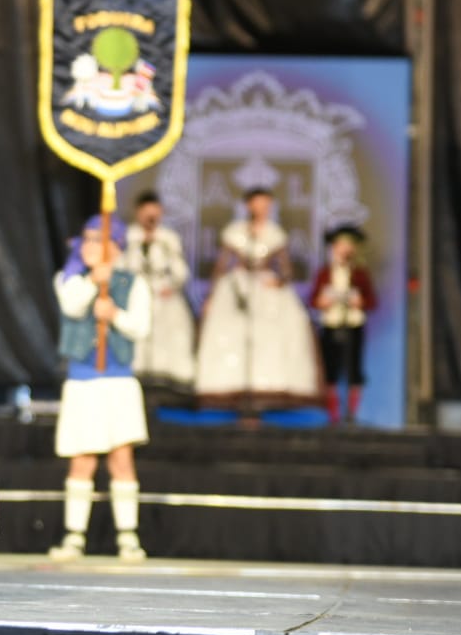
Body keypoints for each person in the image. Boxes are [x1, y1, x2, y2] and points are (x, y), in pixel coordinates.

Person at [49, 214, 151, 561]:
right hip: (83, 382)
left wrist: (115, 315)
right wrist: (95, 280)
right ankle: (74, 536)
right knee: (83, 460)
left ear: (115, 246)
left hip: (118, 382)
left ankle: (128, 537)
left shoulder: (133, 283)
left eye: (100, 240)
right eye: (88, 240)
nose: (92, 247)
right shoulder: (69, 280)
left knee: (121, 458)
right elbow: (72, 305)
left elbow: (140, 326)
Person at [193, 188, 322, 410]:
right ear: (248, 206)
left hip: (265, 287)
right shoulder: (235, 232)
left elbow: (287, 269)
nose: (262, 208)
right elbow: (221, 265)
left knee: (269, 336)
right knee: (232, 333)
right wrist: (211, 296)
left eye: (267, 204)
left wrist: (279, 281)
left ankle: (264, 392)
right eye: (258, 203)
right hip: (237, 286)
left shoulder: (275, 233)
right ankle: (233, 390)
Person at [122, 191, 195, 398]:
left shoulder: (168, 238)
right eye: (146, 214)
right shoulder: (129, 237)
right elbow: (122, 267)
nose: (150, 219)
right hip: (136, 296)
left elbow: (180, 270)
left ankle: (168, 385)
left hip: (163, 296)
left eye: (155, 214)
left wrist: (171, 284)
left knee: (169, 337)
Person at [309, 225, 379, 425]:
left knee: (354, 369)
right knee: (331, 370)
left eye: (349, 245)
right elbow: (313, 299)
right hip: (331, 325)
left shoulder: (359, 274)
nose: (345, 249)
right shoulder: (325, 272)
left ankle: (352, 415)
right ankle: (333, 416)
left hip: (353, 325)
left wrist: (361, 302)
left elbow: (372, 301)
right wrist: (322, 302)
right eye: (341, 245)